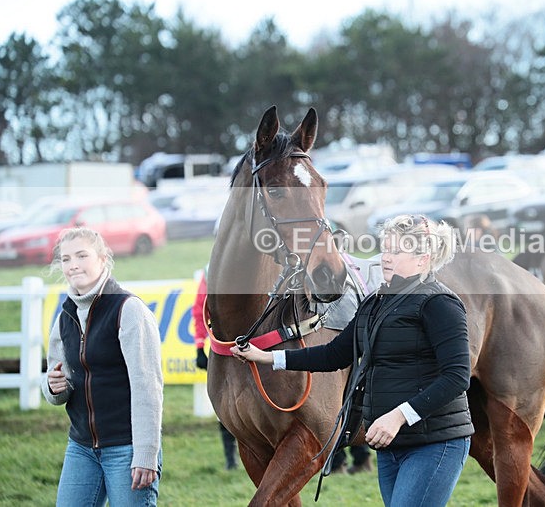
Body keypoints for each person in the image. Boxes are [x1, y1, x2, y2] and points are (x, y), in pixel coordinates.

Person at [234, 214, 473, 506]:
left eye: (396, 251)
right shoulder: (375, 302)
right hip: (390, 444)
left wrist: (398, 417)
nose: (385, 257)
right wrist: (267, 357)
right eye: (385, 248)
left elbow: (457, 376)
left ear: (422, 259)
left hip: (435, 443)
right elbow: (334, 354)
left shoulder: (440, 304)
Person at [42, 227, 163, 506]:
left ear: (102, 258)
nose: (73, 265)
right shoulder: (65, 316)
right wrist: (53, 386)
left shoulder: (128, 309)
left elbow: (148, 389)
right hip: (81, 447)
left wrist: (145, 453)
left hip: (128, 447)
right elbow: (57, 383)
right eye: (66, 258)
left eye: (82, 256)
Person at [193, 268, 240, 470]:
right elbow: (199, 310)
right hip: (223, 348)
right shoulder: (210, 269)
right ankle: (231, 459)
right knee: (226, 404)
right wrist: (199, 347)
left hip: (252, 346)